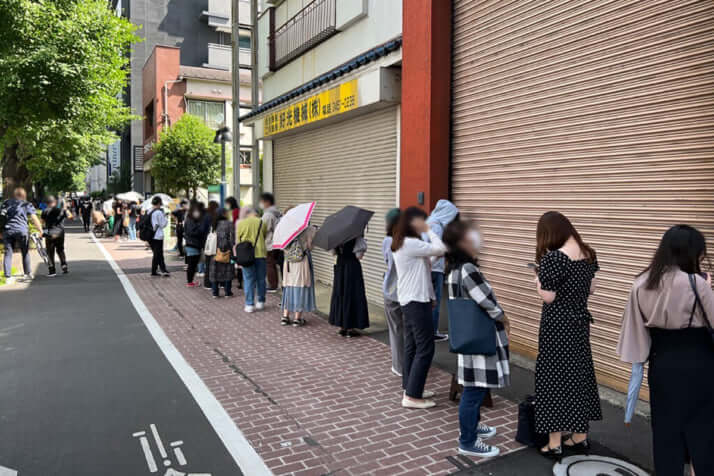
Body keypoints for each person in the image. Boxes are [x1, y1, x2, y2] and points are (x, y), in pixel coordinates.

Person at [618, 225, 713, 476]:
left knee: (665, 430)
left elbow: (635, 336)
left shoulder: (641, 283)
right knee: (702, 429)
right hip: (699, 363)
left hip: (662, 365)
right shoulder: (697, 284)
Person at [533, 211, 600, 459]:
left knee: (553, 379)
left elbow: (548, 296)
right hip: (579, 325)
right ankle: (579, 437)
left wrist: (537, 279)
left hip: (556, 327)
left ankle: (554, 443)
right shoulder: (588, 253)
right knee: (578, 375)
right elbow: (591, 288)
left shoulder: (554, 259)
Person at [443, 219, 510, 458]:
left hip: (468, 337)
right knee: (473, 391)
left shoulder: (453, 269)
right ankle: (468, 440)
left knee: (476, 387)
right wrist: (504, 318)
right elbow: (487, 302)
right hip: (480, 337)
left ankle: (473, 426)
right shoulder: (468, 270)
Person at [392, 207, 447, 409]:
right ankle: (412, 396)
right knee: (426, 347)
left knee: (413, 346)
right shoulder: (412, 243)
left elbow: (423, 266)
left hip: (411, 299)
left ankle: (410, 387)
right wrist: (431, 231)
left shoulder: (402, 244)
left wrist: (431, 296)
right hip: (416, 301)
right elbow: (441, 248)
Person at [424, 200, 459, 342]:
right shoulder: (437, 227)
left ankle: (426, 331)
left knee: (427, 301)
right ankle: (432, 332)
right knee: (434, 301)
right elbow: (438, 249)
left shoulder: (428, 221)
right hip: (435, 268)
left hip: (426, 267)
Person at [329, 236, 369, 337]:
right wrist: (364, 245)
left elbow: (333, 253)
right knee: (352, 294)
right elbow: (359, 256)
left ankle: (342, 327)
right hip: (352, 267)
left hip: (340, 266)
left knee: (341, 293)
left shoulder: (336, 235)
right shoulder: (356, 236)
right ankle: (350, 328)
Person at [1, 188, 43, 283]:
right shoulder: (26, 204)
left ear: (14, 194)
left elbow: (1, 217)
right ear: (24, 195)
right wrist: (40, 230)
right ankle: (27, 274)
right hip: (22, 231)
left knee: (8, 253)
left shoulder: (6, 203)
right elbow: (34, 218)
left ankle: (8, 277)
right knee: (25, 252)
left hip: (8, 230)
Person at [281, 222, 318, 327]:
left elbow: (282, 247)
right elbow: (310, 247)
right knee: (300, 286)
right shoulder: (308, 230)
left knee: (289, 287)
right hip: (302, 262)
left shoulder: (285, 229)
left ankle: (285, 316)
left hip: (288, 263)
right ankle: (297, 318)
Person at [382, 208, 404, 376]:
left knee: (395, 329)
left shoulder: (386, 241)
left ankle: (398, 366)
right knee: (409, 329)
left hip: (390, 289)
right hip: (406, 290)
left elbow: (387, 261)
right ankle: (409, 364)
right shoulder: (408, 241)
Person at [235, 207, 267, 313]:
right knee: (261, 279)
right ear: (256, 213)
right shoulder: (261, 222)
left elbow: (238, 240)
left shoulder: (241, 223)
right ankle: (261, 301)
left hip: (246, 255)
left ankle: (249, 304)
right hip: (260, 254)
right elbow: (264, 235)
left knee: (248, 279)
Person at [41, 196, 73, 277]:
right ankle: (64, 266)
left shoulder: (44, 211)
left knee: (50, 252)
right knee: (60, 249)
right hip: (60, 232)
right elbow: (71, 217)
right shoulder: (61, 210)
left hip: (50, 233)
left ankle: (52, 271)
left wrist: (43, 233)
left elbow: (42, 223)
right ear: (55, 202)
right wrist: (65, 209)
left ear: (47, 203)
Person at [209, 209, 235, 298]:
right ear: (224, 214)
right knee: (228, 271)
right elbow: (232, 239)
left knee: (215, 272)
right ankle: (227, 292)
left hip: (214, 251)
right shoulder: (229, 224)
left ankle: (215, 292)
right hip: (227, 251)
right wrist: (232, 248)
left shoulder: (213, 224)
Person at [260, 193, 282, 292]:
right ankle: (276, 284)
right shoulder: (277, 212)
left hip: (269, 243)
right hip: (277, 242)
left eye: (262, 202)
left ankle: (272, 285)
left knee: (270, 265)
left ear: (267, 202)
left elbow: (263, 229)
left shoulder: (268, 214)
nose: (261, 204)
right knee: (273, 264)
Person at [182, 202, 208, 287]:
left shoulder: (190, 219)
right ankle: (190, 282)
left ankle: (190, 281)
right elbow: (192, 232)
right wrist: (201, 228)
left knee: (192, 265)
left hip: (192, 244)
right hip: (193, 244)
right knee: (192, 265)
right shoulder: (191, 220)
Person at [147, 196, 169, 277]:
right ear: (159, 203)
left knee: (157, 253)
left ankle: (159, 270)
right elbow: (163, 224)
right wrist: (165, 217)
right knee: (158, 254)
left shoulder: (149, 211)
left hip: (150, 235)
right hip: (158, 235)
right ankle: (159, 270)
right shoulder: (159, 212)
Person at [202, 201, 219, 289]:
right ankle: (213, 283)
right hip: (214, 242)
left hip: (207, 241)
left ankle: (207, 283)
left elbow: (203, 228)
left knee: (208, 263)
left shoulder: (205, 215)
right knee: (214, 264)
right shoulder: (214, 215)